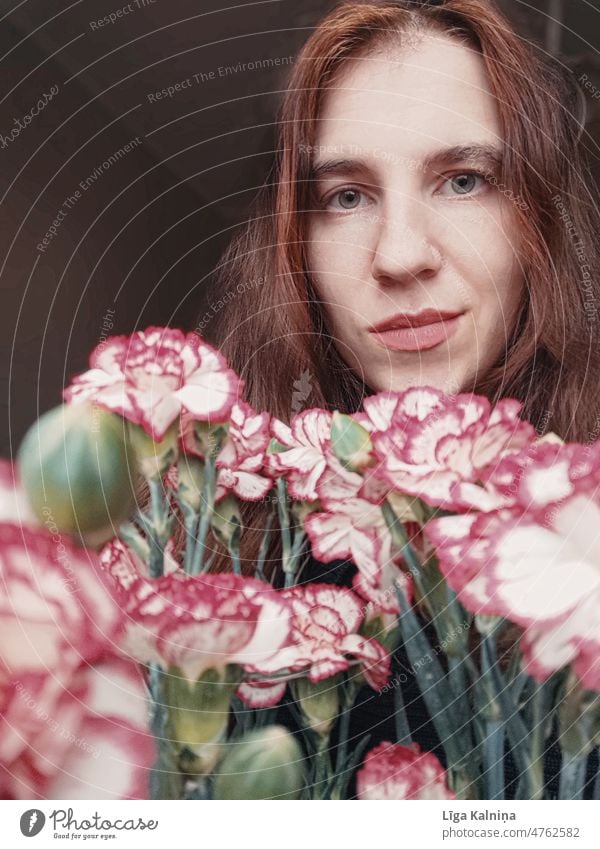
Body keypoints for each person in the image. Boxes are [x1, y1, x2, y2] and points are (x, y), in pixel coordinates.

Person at [200, 0, 600, 798]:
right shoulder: (248, 593)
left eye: (463, 180)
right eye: (347, 196)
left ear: (540, 220)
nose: (401, 255)